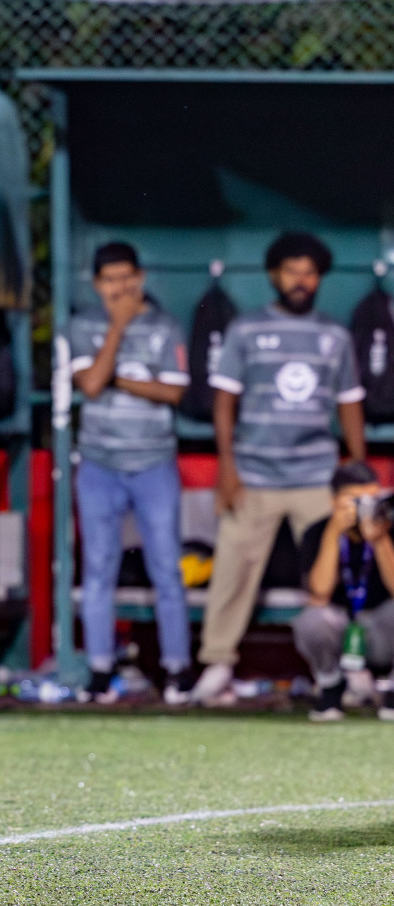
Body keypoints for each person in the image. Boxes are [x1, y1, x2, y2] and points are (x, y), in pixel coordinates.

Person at [184, 231, 367, 706]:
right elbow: (225, 401)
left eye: (309, 272)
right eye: (292, 271)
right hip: (255, 474)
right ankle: (217, 665)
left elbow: (349, 405)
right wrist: (227, 466)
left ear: (320, 278)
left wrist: (359, 469)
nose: (301, 280)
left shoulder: (335, 335)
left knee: (338, 569)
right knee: (232, 571)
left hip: (316, 476)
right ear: (274, 275)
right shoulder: (246, 330)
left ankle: (350, 668)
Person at [68, 242, 192, 703]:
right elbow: (92, 384)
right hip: (99, 462)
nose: (120, 288)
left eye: (127, 278)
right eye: (110, 280)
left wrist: (120, 377)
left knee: (166, 568)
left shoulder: (165, 325)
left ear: (140, 277)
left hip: (155, 462)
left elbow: (173, 392)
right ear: (97, 284)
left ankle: (176, 669)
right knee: (99, 568)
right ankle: (100, 668)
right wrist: (118, 330)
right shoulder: (83, 325)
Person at [293, 462, 394, 722]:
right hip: (341, 628)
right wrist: (333, 534)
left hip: (381, 628)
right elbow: (319, 594)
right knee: (312, 620)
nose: (364, 506)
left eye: (371, 498)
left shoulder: (389, 529)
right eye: (355, 500)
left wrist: (380, 540)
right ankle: (330, 685)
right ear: (334, 501)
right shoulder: (317, 532)